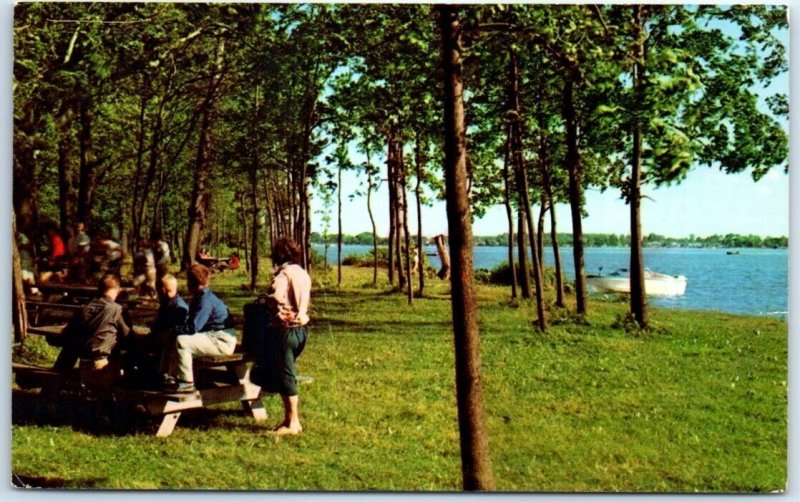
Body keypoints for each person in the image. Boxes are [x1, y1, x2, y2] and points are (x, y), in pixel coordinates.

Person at [161, 264, 236, 393]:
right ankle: (170, 378)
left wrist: (172, 331)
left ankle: (187, 383)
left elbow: (193, 327)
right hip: (213, 336)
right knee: (175, 338)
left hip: (222, 341)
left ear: (192, 282)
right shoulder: (200, 297)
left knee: (182, 341)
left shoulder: (205, 300)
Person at [264, 237, 311, 436]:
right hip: (302, 329)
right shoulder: (303, 273)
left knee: (286, 375)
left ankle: (292, 423)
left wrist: (275, 309)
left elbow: (276, 296)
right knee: (287, 372)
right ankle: (289, 420)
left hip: (285, 330)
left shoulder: (283, 274)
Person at [53, 274, 132, 388]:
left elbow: (68, 333)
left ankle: (54, 384)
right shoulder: (117, 310)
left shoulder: (84, 307)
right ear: (118, 290)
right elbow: (128, 337)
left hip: (83, 362)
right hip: (102, 364)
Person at [124, 274, 188, 388]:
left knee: (138, 353)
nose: (156, 294)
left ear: (163, 290)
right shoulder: (167, 303)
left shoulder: (178, 307)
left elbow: (173, 331)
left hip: (166, 345)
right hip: (158, 340)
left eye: (158, 291)